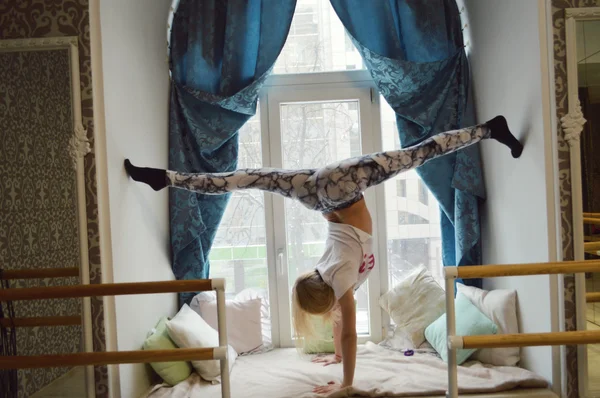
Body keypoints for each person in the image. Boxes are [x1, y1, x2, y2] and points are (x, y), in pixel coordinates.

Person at [124, 116, 522, 395]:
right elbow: (340, 327)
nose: (334, 313)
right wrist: (335, 356)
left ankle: (490, 128)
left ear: (329, 297)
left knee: (420, 153)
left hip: (343, 185)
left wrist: (348, 384)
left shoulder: (343, 281)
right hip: (314, 191)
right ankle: (166, 179)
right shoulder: (326, 277)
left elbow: (349, 332)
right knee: (243, 178)